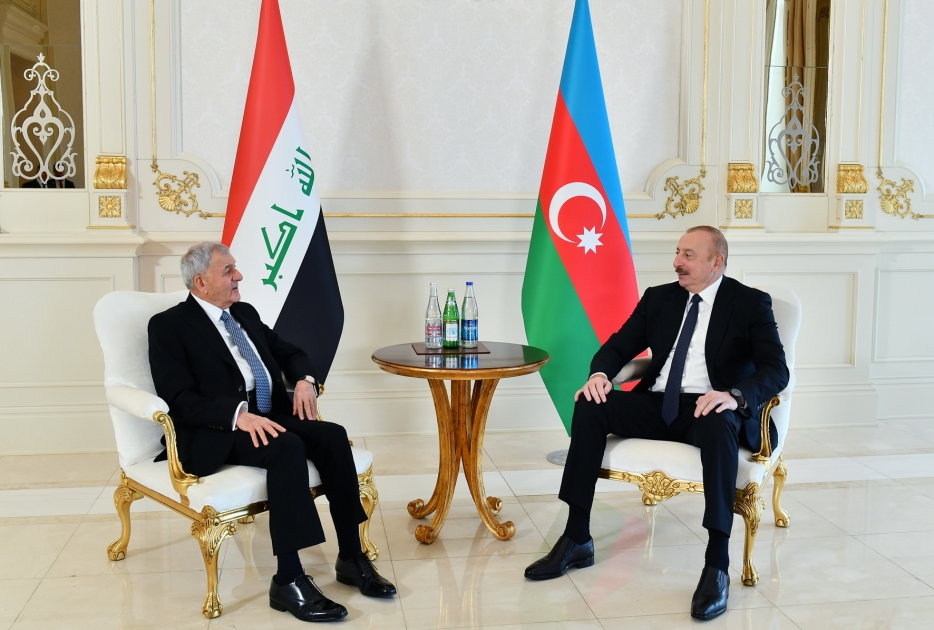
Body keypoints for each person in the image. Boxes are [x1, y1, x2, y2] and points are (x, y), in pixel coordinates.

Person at [523, 226, 788, 621]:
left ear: (717, 262)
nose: (677, 262)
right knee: (590, 403)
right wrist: (601, 376)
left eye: (688, 255)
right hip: (658, 402)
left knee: (719, 423)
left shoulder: (749, 303)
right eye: (678, 252)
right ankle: (576, 537)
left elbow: (776, 369)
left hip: (708, 406)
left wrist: (733, 396)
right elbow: (618, 346)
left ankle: (716, 565)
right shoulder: (658, 298)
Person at [148, 242, 396, 623]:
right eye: (228, 271)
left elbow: (290, 353)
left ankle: (351, 556)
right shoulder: (169, 326)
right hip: (217, 429)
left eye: (235, 267)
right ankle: (288, 579)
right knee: (286, 447)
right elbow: (177, 398)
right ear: (201, 282)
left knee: (333, 436)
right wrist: (237, 416)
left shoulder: (243, 313)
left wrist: (305, 380)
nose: (239, 276)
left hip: (269, 412)